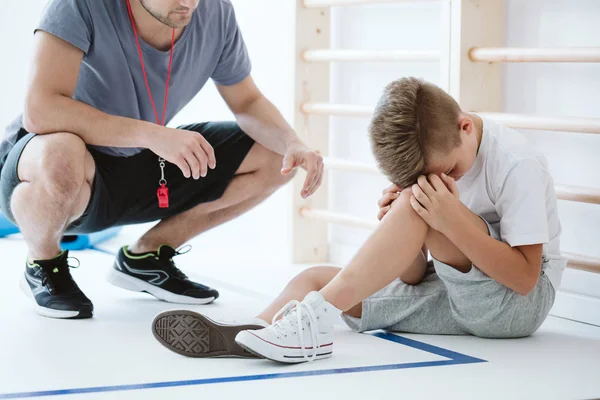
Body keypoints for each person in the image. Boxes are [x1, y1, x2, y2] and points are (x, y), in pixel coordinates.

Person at [151, 77, 566, 363]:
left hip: (516, 307)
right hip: (453, 295)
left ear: (465, 126)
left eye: (451, 171)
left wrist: (445, 219)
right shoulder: (436, 171)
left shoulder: (516, 163)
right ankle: (256, 332)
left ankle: (309, 325)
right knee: (314, 279)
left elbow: (527, 279)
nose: (445, 181)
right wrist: (408, 229)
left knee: (420, 206)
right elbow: (414, 277)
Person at [0, 0, 324, 320]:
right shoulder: (79, 5)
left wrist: (292, 142)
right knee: (61, 153)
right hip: (55, 167)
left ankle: (148, 256)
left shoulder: (215, 11)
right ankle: (43, 263)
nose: (188, 3)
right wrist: (153, 135)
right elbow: (41, 109)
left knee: (278, 156)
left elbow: (247, 100)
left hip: (140, 157)